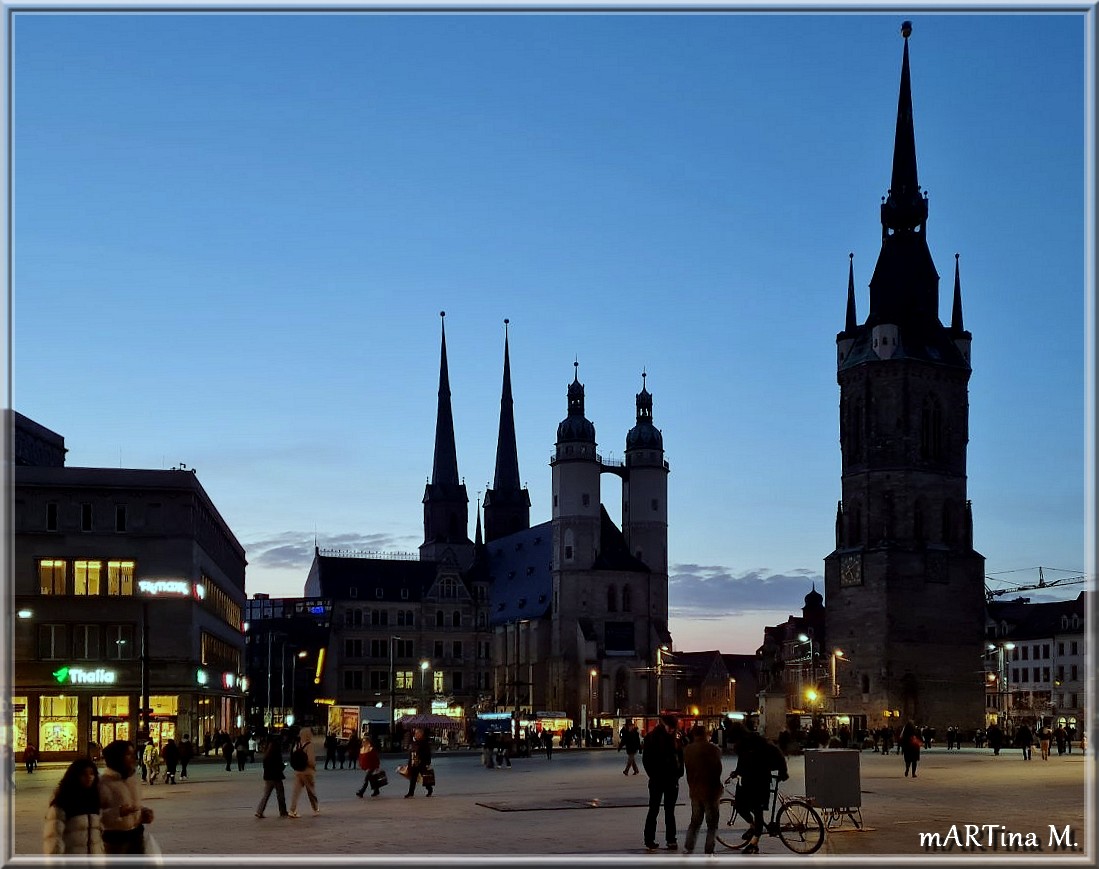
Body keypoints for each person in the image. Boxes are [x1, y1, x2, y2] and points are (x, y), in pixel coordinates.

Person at [727, 723, 788, 854]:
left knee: (757, 809)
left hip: (760, 781)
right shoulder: (743, 745)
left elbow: (776, 752)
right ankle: (753, 825)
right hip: (748, 781)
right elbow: (742, 762)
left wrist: (783, 771)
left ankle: (754, 842)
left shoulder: (757, 741)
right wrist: (737, 772)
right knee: (739, 805)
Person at [99, 739, 155, 855]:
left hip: (137, 834)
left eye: (133, 754)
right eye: (128, 754)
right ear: (117, 757)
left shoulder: (132, 779)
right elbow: (94, 816)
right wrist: (117, 812)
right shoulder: (103, 783)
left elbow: (133, 805)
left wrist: (143, 812)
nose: (133, 758)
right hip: (115, 839)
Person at [42, 758, 105, 855]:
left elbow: (98, 835)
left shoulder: (94, 800)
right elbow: (54, 839)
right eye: (84, 774)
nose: (89, 777)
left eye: (92, 773)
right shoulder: (63, 802)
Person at [642, 713, 684, 852]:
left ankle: (671, 840)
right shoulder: (652, 738)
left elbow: (680, 756)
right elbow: (646, 760)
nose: (672, 730)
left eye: (674, 728)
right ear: (663, 724)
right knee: (654, 809)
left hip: (671, 779)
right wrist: (653, 775)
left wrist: (679, 772)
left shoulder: (676, 738)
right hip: (657, 780)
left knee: (669, 811)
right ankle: (649, 839)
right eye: (670, 727)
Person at [682, 724, 722, 856]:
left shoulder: (688, 750)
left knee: (695, 821)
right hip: (710, 791)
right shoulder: (713, 749)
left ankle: (689, 846)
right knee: (712, 823)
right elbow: (718, 770)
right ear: (706, 734)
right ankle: (709, 849)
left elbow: (687, 770)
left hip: (695, 791)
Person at [288, 728, 320, 817]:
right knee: (311, 791)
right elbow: (311, 761)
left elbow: (293, 756)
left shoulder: (297, 745)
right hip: (307, 772)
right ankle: (315, 809)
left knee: (296, 792)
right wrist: (313, 767)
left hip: (298, 772)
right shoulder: (309, 745)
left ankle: (292, 810)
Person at [255, 738, 290, 818]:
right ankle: (283, 811)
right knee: (280, 795)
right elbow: (279, 767)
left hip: (268, 777)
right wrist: (283, 766)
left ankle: (259, 811)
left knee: (266, 795)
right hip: (276, 777)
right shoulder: (277, 755)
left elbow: (265, 767)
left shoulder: (266, 756)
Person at [404, 728, 434, 798]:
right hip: (414, 763)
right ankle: (410, 793)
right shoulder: (414, 742)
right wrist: (409, 763)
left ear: (421, 734)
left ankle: (429, 789)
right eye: (415, 733)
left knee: (425, 777)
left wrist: (427, 763)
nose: (416, 735)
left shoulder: (424, 743)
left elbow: (428, 754)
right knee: (413, 779)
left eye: (417, 733)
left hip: (422, 763)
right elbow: (411, 753)